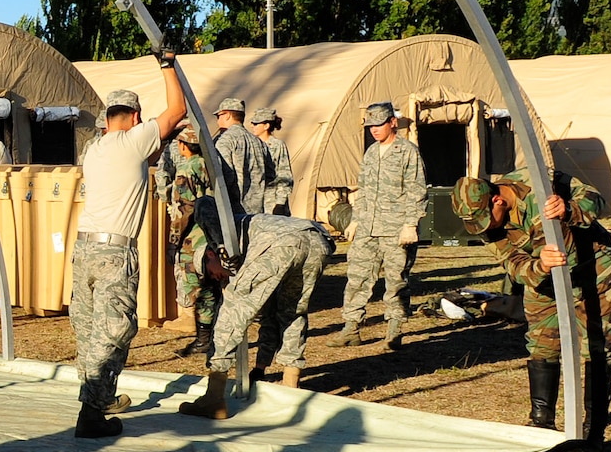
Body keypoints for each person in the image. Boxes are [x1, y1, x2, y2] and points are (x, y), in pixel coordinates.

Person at [452, 173, 611, 442]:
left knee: (595, 345)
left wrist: (569, 209)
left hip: (592, 268)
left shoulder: (539, 180)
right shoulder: (488, 225)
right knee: (542, 344)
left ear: (498, 200)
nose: (484, 229)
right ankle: (541, 422)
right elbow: (513, 264)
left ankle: (593, 428)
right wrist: (539, 266)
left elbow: (597, 201)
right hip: (542, 279)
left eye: (485, 220)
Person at [71, 61, 188, 440]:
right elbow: (176, 111)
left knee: (89, 330)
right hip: (113, 254)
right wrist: (169, 66)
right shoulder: (133, 140)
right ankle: (92, 414)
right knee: (114, 330)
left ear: (107, 119)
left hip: (84, 249)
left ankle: (94, 397)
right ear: (135, 117)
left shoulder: (95, 149)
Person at [178, 205, 334, 419]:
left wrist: (220, 244)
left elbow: (203, 204)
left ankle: (213, 398)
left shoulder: (222, 240)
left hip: (281, 242)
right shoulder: (246, 247)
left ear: (210, 255)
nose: (219, 279)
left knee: (231, 311)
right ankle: (291, 386)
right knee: (292, 312)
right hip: (318, 241)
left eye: (213, 274)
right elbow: (270, 316)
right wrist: (260, 368)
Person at [337, 102, 426, 350]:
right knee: (357, 277)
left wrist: (411, 223)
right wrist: (356, 219)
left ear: (392, 123)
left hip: (395, 228)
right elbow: (363, 189)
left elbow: (416, 189)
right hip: (368, 227)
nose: (374, 130)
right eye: (370, 126)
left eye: (379, 124)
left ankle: (394, 329)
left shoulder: (407, 151)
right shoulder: (371, 153)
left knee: (396, 280)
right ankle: (351, 327)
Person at [166, 127, 222, 361]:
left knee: (196, 289)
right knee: (212, 287)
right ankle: (208, 338)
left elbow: (184, 210)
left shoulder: (186, 169)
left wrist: (173, 241)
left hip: (194, 237)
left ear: (182, 146)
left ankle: (203, 339)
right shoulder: (211, 164)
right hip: (213, 235)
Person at [210, 97, 273, 218]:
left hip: (233, 213)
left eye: (219, 116)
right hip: (257, 214)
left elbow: (222, 177)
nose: (217, 122)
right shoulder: (259, 142)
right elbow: (271, 175)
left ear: (227, 115)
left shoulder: (225, 141)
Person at [251, 108, 294, 214]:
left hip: (272, 201)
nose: (253, 126)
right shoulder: (252, 144)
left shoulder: (277, 145)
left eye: (256, 124)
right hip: (255, 202)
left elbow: (284, 174)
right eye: (252, 123)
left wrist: (280, 203)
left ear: (266, 126)